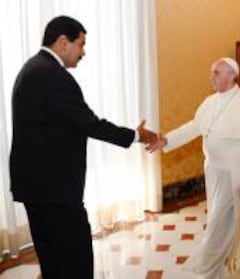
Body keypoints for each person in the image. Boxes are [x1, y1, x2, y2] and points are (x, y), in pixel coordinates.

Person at [9, 16, 156, 279]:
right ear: (63, 42)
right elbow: (90, 124)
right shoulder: (53, 76)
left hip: (37, 187)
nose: (83, 52)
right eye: (81, 44)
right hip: (55, 192)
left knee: (53, 259)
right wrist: (137, 135)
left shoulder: (33, 68)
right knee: (74, 261)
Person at [147, 57, 240, 278]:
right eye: (212, 72)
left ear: (232, 75)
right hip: (213, 170)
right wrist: (167, 140)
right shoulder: (210, 101)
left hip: (234, 173)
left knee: (220, 220)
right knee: (231, 214)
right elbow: (194, 126)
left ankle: (211, 265)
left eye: (216, 72)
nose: (211, 77)